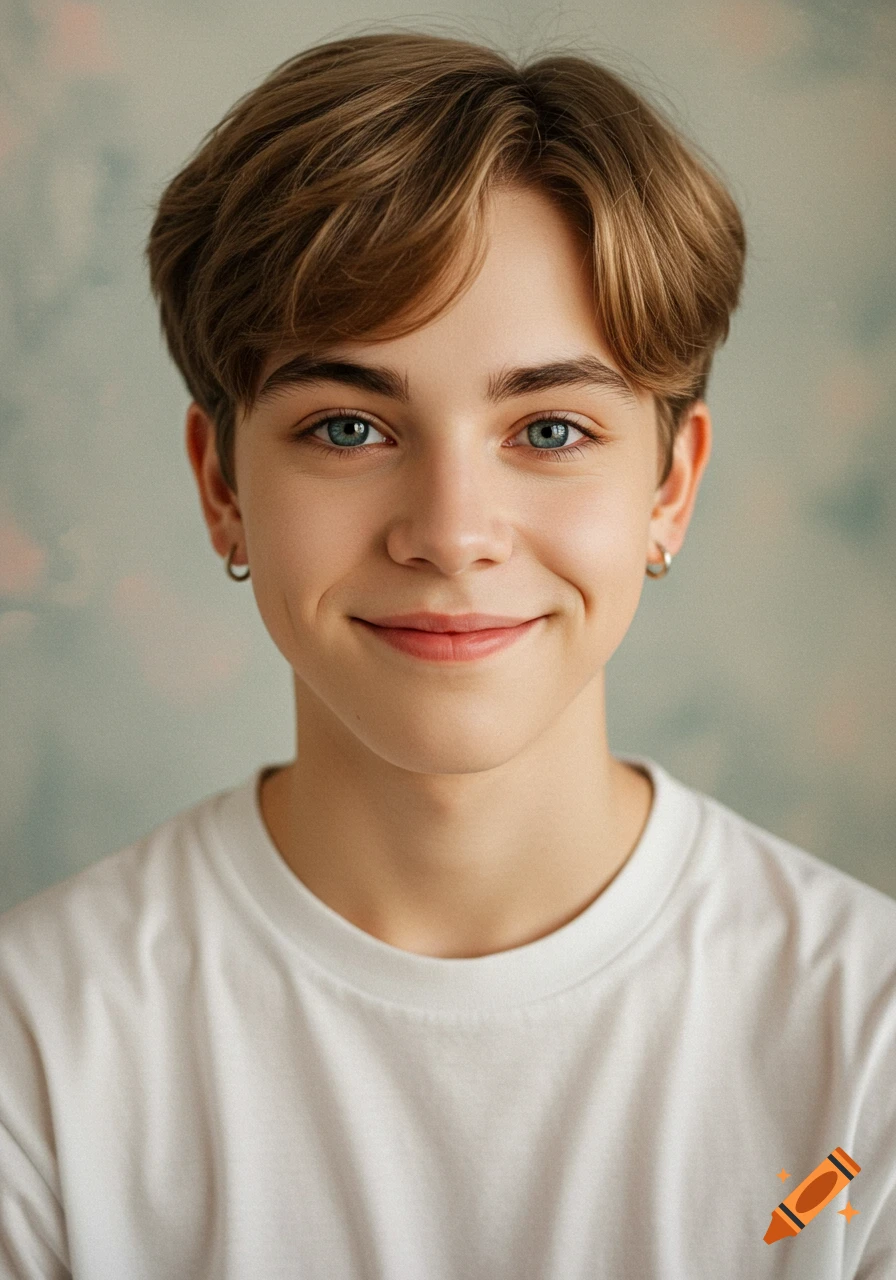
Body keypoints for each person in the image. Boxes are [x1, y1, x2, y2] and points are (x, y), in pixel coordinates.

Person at [1, 30, 893, 1280]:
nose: (451, 532)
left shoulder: (866, 1046)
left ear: (668, 488)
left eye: (549, 426)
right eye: (350, 425)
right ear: (222, 487)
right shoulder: (35, 1051)